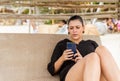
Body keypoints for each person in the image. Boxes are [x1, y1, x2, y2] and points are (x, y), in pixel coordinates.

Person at [47, 15, 120, 81]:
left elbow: (102, 63)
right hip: (71, 75)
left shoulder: (91, 43)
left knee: (101, 49)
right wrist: (62, 58)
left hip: (94, 74)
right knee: (93, 56)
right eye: (71, 28)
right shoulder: (62, 44)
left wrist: (83, 60)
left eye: (77, 27)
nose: (74, 31)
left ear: (83, 28)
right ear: (68, 29)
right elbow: (51, 70)